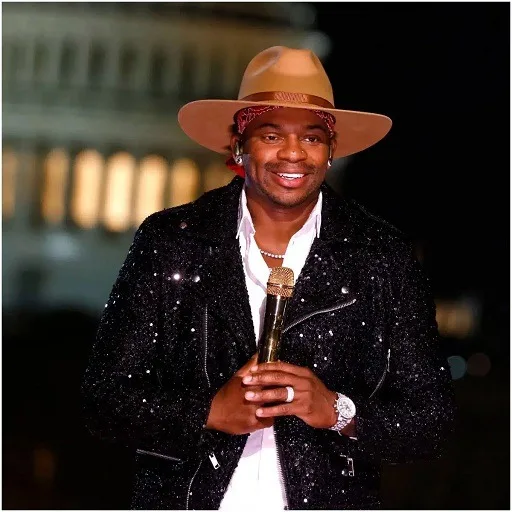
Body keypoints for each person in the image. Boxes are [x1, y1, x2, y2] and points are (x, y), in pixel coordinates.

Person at [82, 46, 455, 510]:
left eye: (312, 137)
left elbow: (432, 420)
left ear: (332, 150)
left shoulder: (381, 255)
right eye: (272, 135)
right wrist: (209, 412)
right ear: (239, 144)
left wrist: (337, 410)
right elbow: (103, 399)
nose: (293, 154)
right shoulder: (173, 239)